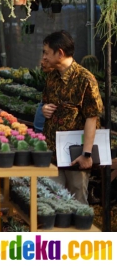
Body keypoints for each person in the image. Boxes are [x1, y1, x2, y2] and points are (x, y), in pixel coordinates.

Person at [41, 30, 103, 204]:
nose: (44, 56)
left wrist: (86, 154)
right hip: (52, 153)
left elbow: (92, 118)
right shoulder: (51, 77)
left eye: (46, 52)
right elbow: (45, 103)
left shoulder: (85, 80)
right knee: (52, 200)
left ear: (59, 52)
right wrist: (44, 109)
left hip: (74, 156)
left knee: (77, 200)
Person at [33, 60, 54, 133]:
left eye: (46, 60)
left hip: (46, 131)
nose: (42, 62)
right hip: (40, 129)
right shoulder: (50, 79)